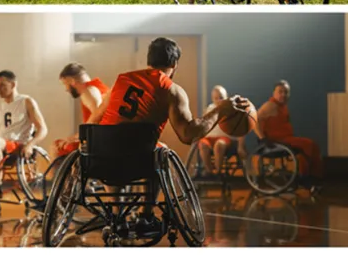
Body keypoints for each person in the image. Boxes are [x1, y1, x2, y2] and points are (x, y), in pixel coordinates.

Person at [86, 38, 253, 234]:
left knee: (114, 141)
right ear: (175, 65)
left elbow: (93, 121)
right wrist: (219, 110)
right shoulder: (172, 90)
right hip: (136, 161)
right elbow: (188, 134)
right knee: (159, 151)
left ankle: (117, 217)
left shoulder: (121, 80)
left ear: (149, 61)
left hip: (101, 159)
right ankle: (145, 216)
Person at [255, 80, 323, 192]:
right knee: (309, 145)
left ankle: (313, 177)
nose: (283, 95)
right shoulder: (270, 105)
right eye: (280, 92)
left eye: (286, 92)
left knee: (311, 147)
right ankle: (306, 178)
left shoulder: (283, 107)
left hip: (285, 139)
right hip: (276, 141)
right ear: (274, 93)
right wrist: (262, 138)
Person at [53, 63, 110, 157]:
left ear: (72, 80)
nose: (66, 89)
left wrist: (77, 137)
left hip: (97, 141)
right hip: (101, 136)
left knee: (56, 146)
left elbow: (98, 118)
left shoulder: (88, 91)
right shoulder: (98, 88)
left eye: (65, 84)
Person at [194, 85, 250, 177]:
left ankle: (218, 172)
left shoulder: (233, 109)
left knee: (219, 145)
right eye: (216, 98)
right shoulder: (209, 108)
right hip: (209, 138)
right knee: (203, 144)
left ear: (226, 97)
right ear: (212, 99)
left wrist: (241, 145)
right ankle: (209, 172)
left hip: (225, 139)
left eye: (221, 98)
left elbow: (241, 127)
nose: (219, 100)